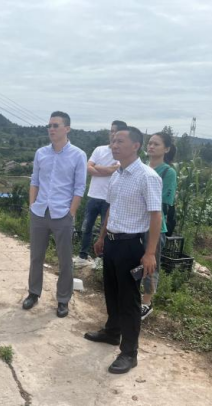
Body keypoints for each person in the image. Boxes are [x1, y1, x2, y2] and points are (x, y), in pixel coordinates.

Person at [85, 127, 162, 375]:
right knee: (111, 291)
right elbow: (111, 208)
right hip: (112, 242)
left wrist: (150, 253)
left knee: (129, 300)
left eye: (120, 141)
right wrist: (101, 236)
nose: (114, 145)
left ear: (135, 146)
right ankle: (112, 332)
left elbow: (156, 215)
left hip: (131, 245)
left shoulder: (147, 177)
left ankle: (129, 352)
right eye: (113, 141)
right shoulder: (117, 174)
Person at [22, 112, 88, 318]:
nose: (51, 129)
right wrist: (32, 205)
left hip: (62, 214)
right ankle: (34, 293)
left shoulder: (78, 155)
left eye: (55, 125)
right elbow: (34, 181)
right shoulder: (41, 153)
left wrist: (71, 213)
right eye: (49, 125)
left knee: (65, 260)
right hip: (40, 211)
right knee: (36, 256)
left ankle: (63, 299)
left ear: (67, 129)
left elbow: (79, 188)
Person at [74, 120, 127, 268]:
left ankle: (101, 258)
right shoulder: (99, 150)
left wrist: (97, 167)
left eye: (115, 131)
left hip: (109, 198)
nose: (112, 134)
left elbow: (114, 170)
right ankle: (83, 256)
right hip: (94, 195)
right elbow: (88, 167)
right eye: (111, 131)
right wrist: (107, 169)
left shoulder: (121, 154)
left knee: (105, 229)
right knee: (87, 227)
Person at [141, 133, 178, 321]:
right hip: (136, 224)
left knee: (151, 264)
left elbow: (164, 203)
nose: (151, 146)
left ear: (167, 149)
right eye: (150, 143)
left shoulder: (168, 172)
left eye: (156, 144)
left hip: (154, 226)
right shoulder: (141, 167)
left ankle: (146, 303)